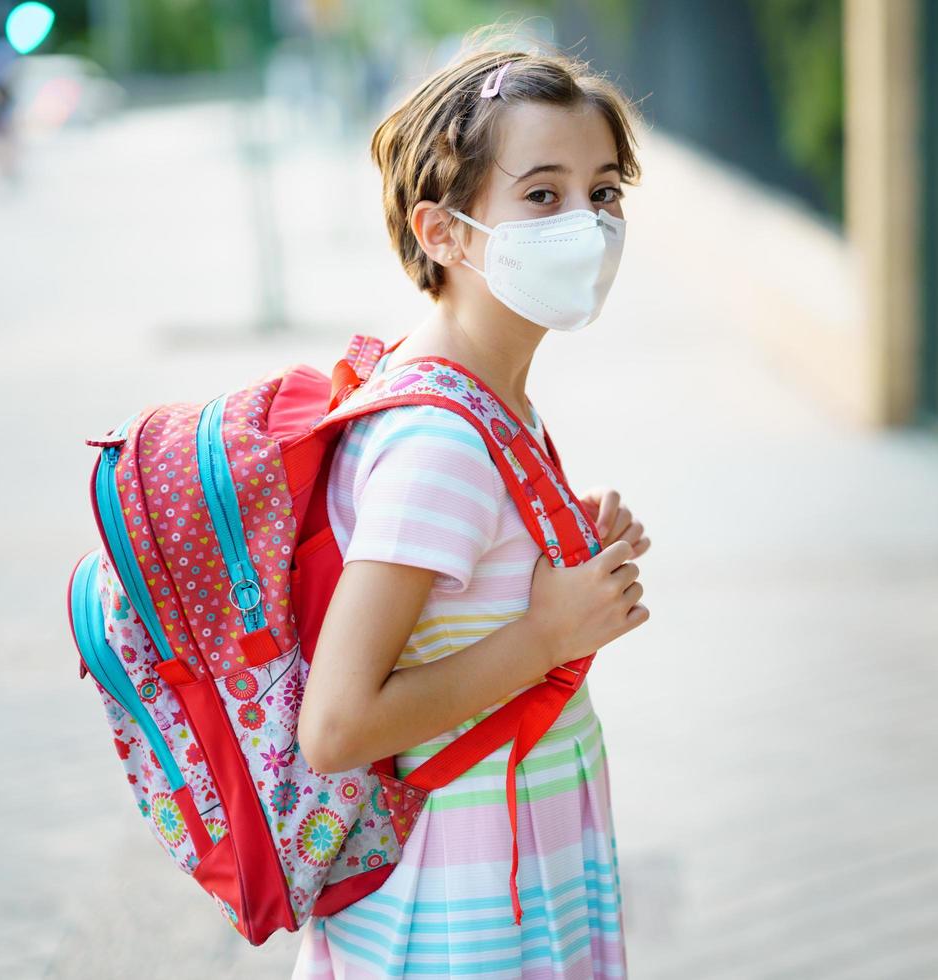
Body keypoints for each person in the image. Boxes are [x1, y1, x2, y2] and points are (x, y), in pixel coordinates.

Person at [292, 32, 650, 980]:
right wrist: (544, 635)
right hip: (464, 902)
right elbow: (335, 725)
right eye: (542, 194)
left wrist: (558, 546)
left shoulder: (484, 394)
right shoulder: (442, 440)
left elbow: (455, 591)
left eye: (603, 192)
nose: (587, 221)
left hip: (509, 854)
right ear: (442, 230)